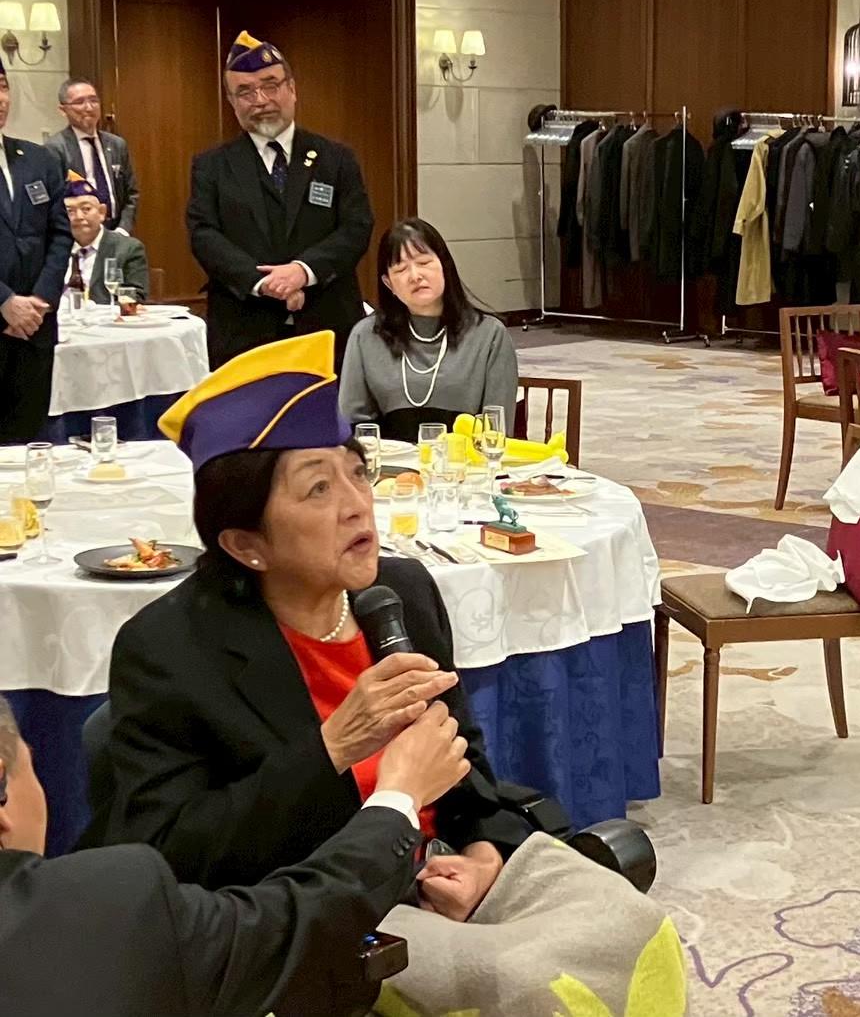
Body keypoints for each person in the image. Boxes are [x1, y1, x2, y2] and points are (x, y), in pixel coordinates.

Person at [87, 331, 530, 892]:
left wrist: (485, 859)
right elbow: (171, 855)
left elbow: (466, 769)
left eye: (357, 472)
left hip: (436, 885)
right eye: (319, 488)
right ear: (246, 544)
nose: (357, 504)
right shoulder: (168, 648)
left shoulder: (402, 592)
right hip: (300, 913)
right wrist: (334, 748)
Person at [0, 688, 476, 1017]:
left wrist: (483, 852)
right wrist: (399, 796)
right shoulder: (95, 905)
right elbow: (291, 921)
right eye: (30, 763)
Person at [187, 31, 373, 369]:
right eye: (245, 92)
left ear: (292, 89)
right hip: (243, 331)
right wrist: (263, 282)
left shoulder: (336, 159)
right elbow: (203, 235)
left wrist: (303, 271)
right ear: (232, 102)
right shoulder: (212, 166)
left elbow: (356, 228)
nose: (260, 100)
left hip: (328, 327)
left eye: (270, 86)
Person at [338, 218, 518, 433]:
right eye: (401, 269)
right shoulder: (366, 335)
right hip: (388, 455)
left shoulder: (489, 334)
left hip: (465, 454)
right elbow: (353, 425)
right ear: (388, 284)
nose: (415, 276)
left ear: (445, 266)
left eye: (423, 262)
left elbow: (497, 430)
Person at [0, 57, 70, 444]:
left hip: (35, 329)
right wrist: (5, 302)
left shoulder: (39, 159)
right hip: (4, 314)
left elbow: (60, 234)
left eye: (3, 86)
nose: (0, 98)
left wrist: (40, 300)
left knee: (30, 443)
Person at [45, 78, 140, 234]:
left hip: (117, 232)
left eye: (93, 100)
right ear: (63, 110)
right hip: (77, 234)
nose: (89, 107)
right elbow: (54, 204)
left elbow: (131, 194)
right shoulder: (54, 148)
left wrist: (123, 230)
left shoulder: (116, 144)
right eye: (79, 102)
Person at [61, 171, 150, 303]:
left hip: (106, 315)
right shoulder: (53, 248)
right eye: (70, 211)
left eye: (86, 209)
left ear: (102, 212)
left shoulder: (128, 249)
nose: (79, 216)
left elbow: (135, 296)